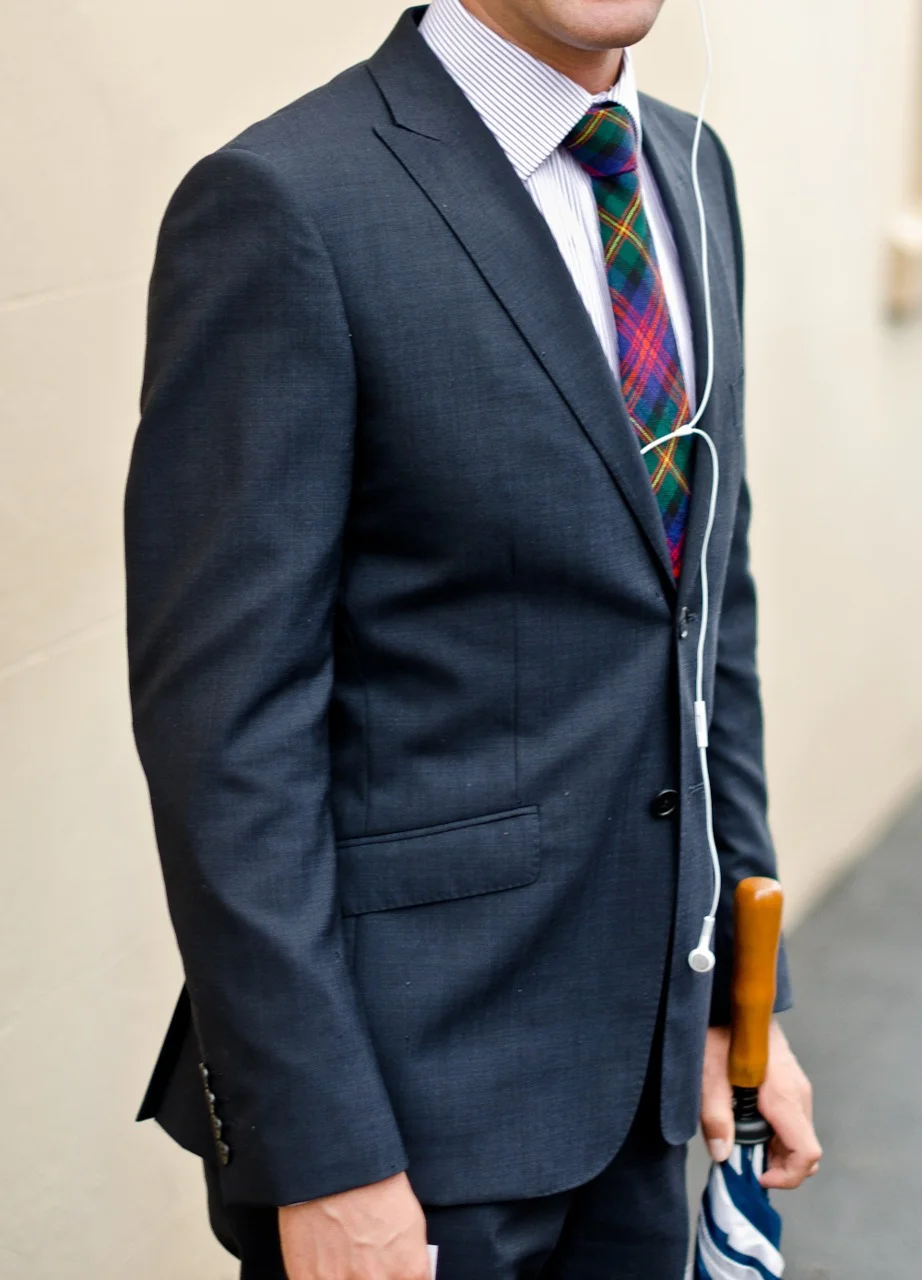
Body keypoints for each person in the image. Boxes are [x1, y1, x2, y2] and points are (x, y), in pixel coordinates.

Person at [124, 1, 822, 1276]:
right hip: (413, 1116)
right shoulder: (286, 202)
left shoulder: (687, 165)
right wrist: (324, 1151)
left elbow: (702, 616)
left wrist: (744, 998)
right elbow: (225, 739)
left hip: (648, 1079)